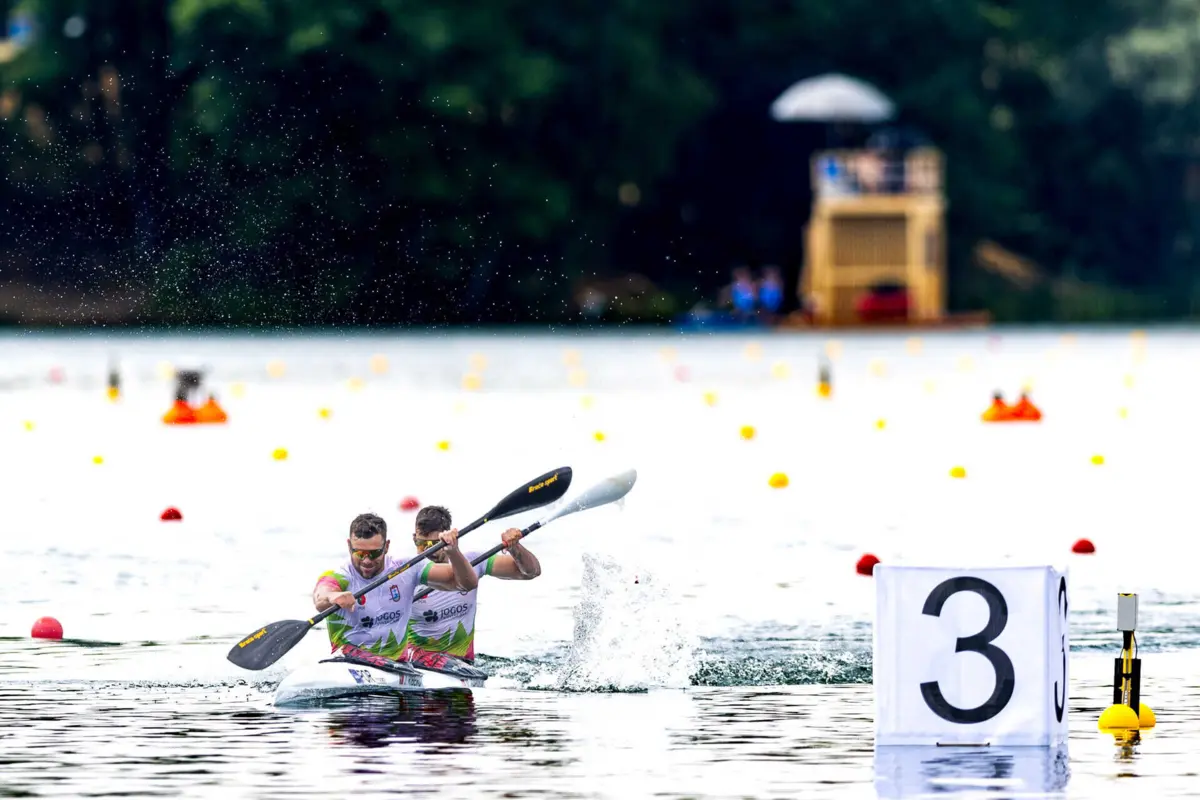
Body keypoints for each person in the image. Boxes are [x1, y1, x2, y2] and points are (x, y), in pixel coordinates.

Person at [312, 512, 479, 665]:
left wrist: (453, 551)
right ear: (349, 546)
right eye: (360, 553)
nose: (367, 561)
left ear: (386, 547)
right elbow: (321, 597)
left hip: (398, 668)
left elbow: (465, 583)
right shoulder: (340, 576)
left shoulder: (407, 568)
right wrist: (333, 597)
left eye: (374, 553)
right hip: (349, 663)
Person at [403, 504, 541, 667]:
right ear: (414, 539)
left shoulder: (474, 562)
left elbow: (531, 572)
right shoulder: (406, 573)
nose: (429, 551)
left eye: (435, 544)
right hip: (417, 664)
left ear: (450, 538)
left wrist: (515, 548)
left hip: (463, 664)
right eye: (422, 544)